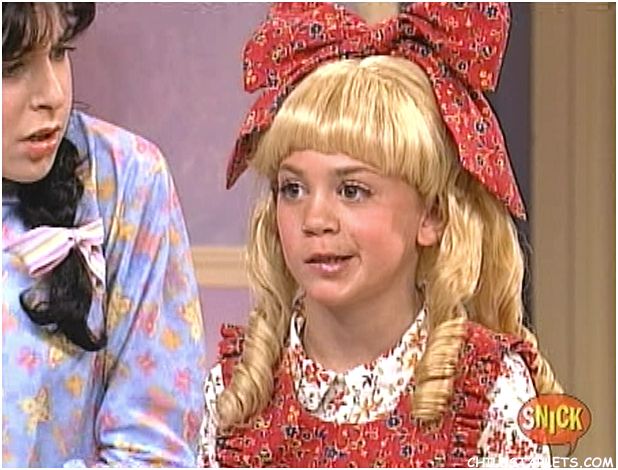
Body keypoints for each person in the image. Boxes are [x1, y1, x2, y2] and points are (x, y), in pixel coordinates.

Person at [198, 2, 562, 467]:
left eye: (352, 190)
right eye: (293, 189)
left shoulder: (489, 389)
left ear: (431, 215)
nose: (315, 218)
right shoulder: (238, 392)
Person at [3, 3, 206, 467]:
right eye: (12, 67)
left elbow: (153, 449)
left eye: (59, 51)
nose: (53, 94)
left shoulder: (126, 180)